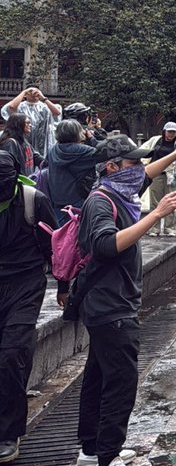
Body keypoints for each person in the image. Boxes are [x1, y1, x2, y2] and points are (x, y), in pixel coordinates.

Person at [75, 133, 176, 466]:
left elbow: (146, 175)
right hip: (110, 304)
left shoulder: (119, 190)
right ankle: (108, 453)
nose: (138, 168)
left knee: (98, 374)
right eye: (131, 162)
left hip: (109, 302)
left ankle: (90, 448)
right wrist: (155, 215)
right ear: (111, 167)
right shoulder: (101, 201)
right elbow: (105, 245)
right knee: (121, 381)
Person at [0, 152, 58, 463]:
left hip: (25, 283)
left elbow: (55, 245)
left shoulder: (33, 199)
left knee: (12, 354)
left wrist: (63, 285)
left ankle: (9, 432)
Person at [43, 120, 106, 225]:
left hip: (56, 201)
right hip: (78, 202)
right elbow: (105, 152)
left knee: (62, 235)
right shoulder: (85, 151)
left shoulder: (53, 150)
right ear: (77, 133)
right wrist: (91, 138)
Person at [140, 123, 176, 236]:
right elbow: (144, 149)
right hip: (156, 174)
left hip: (171, 175)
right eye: (169, 132)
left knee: (171, 201)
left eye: (173, 132)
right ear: (164, 131)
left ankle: (170, 228)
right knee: (154, 202)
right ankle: (154, 228)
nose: (171, 135)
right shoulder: (155, 140)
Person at [2, 86, 60, 165]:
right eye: (31, 91)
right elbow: (11, 107)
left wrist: (43, 98)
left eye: (37, 91)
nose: (34, 93)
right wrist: (24, 92)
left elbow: (57, 113)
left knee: (38, 161)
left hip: (41, 143)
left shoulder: (45, 107)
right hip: (23, 140)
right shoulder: (21, 106)